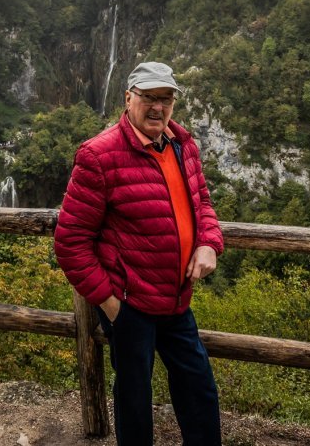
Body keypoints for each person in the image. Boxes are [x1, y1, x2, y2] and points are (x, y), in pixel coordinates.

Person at [54, 61, 224, 445]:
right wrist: (112, 304)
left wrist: (209, 242)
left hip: (178, 299)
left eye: (165, 99)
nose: (157, 107)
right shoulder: (99, 155)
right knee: (134, 399)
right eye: (148, 97)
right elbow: (70, 242)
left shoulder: (184, 145)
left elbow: (204, 204)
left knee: (199, 391)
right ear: (129, 97)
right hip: (131, 306)